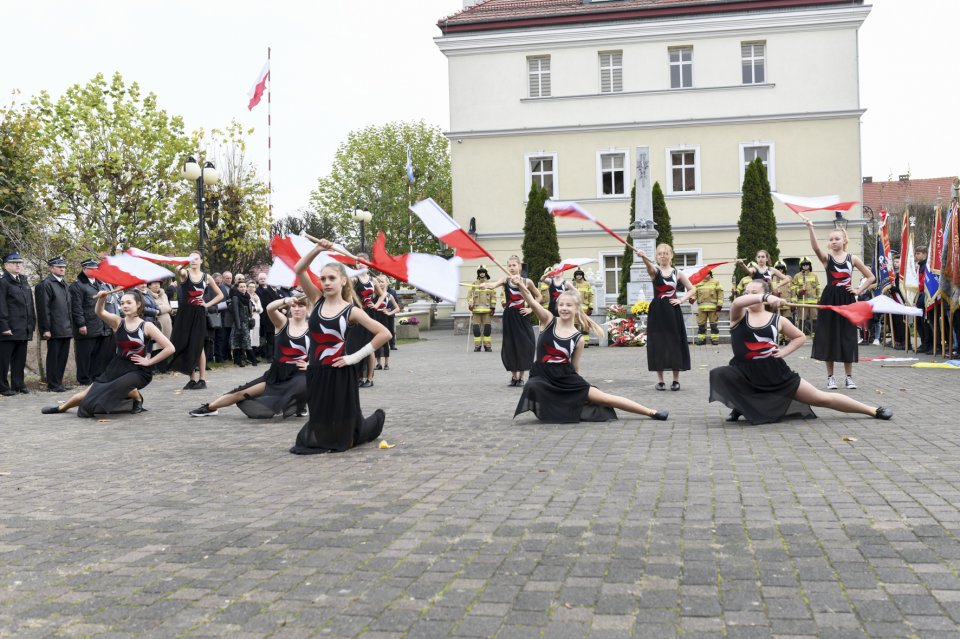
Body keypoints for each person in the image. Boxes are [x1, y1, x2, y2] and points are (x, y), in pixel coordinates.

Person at [710, 279, 892, 424]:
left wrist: (784, 352)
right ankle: (741, 407)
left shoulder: (778, 320)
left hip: (774, 374)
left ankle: (873, 410)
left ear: (767, 293)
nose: (749, 295)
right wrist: (764, 298)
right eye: (747, 292)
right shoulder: (739, 314)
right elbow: (737, 302)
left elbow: (800, 337)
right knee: (721, 374)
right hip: (744, 373)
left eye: (754, 292)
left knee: (821, 398)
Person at [512, 277, 668, 423]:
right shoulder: (548, 320)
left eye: (568, 305)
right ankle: (558, 408)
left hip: (566, 378)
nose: (564, 308)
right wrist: (520, 285)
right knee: (532, 386)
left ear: (577, 308)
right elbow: (532, 301)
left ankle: (650, 411)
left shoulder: (578, 338)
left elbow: (575, 368)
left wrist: (579, 391)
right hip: (542, 376)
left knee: (605, 399)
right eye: (561, 305)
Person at [290, 240, 389, 454]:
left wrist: (353, 358)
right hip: (316, 371)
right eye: (323, 278)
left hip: (341, 372)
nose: (326, 282)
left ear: (343, 281)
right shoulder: (316, 300)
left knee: (344, 437)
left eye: (332, 278)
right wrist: (317, 249)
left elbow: (384, 333)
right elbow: (299, 269)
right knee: (316, 430)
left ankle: (370, 424)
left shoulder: (351, 311)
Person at [40, 289, 175, 417]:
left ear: (138, 304)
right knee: (85, 397)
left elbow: (170, 348)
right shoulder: (117, 322)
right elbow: (100, 312)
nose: (125, 306)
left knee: (115, 387)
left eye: (129, 303)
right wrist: (102, 299)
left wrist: (149, 361)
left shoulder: (147, 326)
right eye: (122, 303)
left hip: (138, 370)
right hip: (116, 368)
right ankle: (62, 408)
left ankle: (136, 397)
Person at [190, 296, 311, 418]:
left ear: (307, 308)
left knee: (301, 384)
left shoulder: (313, 328)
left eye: (301, 306)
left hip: (299, 373)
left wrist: (310, 365)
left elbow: (323, 351)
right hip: (277, 374)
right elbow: (270, 309)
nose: (296, 309)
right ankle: (211, 407)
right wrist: (285, 301)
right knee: (240, 392)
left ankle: (299, 404)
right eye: (294, 306)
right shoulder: (283, 322)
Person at [802, 216, 875, 390]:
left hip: (847, 300)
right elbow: (815, 247)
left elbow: (871, 277)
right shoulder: (827, 259)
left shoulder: (853, 259)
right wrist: (810, 227)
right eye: (831, 239)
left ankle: (849, 377)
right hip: (830, 299)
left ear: (844, 241)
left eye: (837, 239)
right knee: (829, 337)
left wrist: (858, 291)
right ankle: (830, 377)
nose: (834, 242)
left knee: (847, 337)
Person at [636, 244, 693, 390]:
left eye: (666, 253)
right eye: (660, 254)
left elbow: (692, 289)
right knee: (658, 343)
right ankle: (660, 381)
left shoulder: (677, 273)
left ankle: (676, 380)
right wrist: (644, 258)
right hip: (657, 311)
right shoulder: (655, 271)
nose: (663, 256)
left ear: (671, 255)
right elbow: (649, 269)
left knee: (674, 342)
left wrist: (681, 299)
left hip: (673, 311)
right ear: (656, 256)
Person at [478, 255, 542, 386]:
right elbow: (493, 284)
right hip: (509, 316)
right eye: (510, 265)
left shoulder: (526, 281)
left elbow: (539, 296)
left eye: (514, 265)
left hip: (522, 316)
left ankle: (522, 377)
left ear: (519, 266)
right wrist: (485, 285)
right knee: (510, 345)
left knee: (525, 344)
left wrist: (531, 309)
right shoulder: (505, 280)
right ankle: (514, 377)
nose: (512, 268)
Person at [169, 251, 223, 390]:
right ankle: (192, 379)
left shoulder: (207, 277)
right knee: (185, 344)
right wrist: (180, 266)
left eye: (196, 259)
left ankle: (202, 379)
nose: (193, 261)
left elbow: (220, 295)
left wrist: (207, 304)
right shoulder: (186, 273)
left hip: (198, 313)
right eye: (191, 259)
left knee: (198, 345)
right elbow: (180, 272)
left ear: (201, 261)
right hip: (184, 313)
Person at [69, 259, 115, 385]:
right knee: (84, 354)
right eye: (91, 269)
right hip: (87, 325)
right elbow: (76, 307)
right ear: (84, 269)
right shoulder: (77, 285)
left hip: (101, 325)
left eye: (96, 269)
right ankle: (84, 379)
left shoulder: (100, 284)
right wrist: (81, 324)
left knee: (99, 354)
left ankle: (95, 376)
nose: (94, 271)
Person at [35, 256, 74, 392]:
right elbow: (43, 309)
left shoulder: (63, 284)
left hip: (66, 327)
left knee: (62, 357)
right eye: (59, 267)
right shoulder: (46, 284)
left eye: (63, 267)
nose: (62, 269)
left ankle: (59, 382)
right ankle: (52, 384)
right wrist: (46, 329)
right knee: (54, 357)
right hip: (54, 327)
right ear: (51, 268)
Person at [0, 251, 36, 396]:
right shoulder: (3, 282)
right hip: (9, 328)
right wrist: (4, 326)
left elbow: (29, 305)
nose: (18, 265)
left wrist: (31, 324)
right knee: (3, 360)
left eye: (20, 263)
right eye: (15, 263)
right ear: (6, 265)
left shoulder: (23, 281)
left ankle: (18, 384)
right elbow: (1, 305)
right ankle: (2, 387)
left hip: (23, 327)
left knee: (20, 359)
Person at [347, 260, 379, 387]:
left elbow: (382, 294)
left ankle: (369, 378)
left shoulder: (373, 280)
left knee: (369, 346)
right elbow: (348, 290)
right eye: (357, 262)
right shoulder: (354, 279)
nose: (359, 264)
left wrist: (375, 305)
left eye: (362, 262)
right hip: (357, 314)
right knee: (354, 345)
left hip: (370, 314)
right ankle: (359, 376)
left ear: (367, 264)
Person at [469, 265, 497, 352]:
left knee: (487, 330)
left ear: (486, 273)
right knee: (476, 330)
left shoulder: (490, 284)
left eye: (483, 272)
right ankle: (477, 346)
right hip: (476, 311)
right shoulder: (474, 284)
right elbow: (470, 295)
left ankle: (487, 346)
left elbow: (493, 296)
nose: (482, 274)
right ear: (478, 273)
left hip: (487, 311)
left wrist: (493, 307)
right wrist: (470, 304)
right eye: (480, 272)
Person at [790, 257, 820, 336]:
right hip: (801, 301)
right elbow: (793, 288)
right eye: (804, 265)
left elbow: (817, 288)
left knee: (814, 318)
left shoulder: (814, 275)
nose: (805, 266)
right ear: (801, 266)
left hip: (813, 302)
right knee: (801, 318)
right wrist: (799, 291)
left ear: (810, 266)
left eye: (807, 264)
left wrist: (819, 299)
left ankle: (814, 334)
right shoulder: (797, 276)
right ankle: (801, 334)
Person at [692, 270, 723, 346]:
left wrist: (719, 304)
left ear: (710, 274)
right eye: (703, 274)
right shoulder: (698, 282)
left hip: (713, 308)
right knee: (701, 325)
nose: (704, 275)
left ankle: (714, 340)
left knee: (714, 325)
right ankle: (701, 340)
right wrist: (692, 298)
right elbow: (695, 293)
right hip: (701, 309)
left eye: (706, 274)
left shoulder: (716, 282)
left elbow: (720, 293)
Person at [373, 275, 398, 370]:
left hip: (384, 319)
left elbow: (397, 308)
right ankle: (378, 363)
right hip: (375, 319)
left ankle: (386, 363)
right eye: (378, 282)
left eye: (382, 282)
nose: (380, 284)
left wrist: (389, 312)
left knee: (385, 341)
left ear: (387, 283)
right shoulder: (374, 294)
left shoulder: (389, 295)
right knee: (376, 341)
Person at [229, 278, 255, 367]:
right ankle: (240, 360)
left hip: (246, 322)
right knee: (238, 341)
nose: (243, 288)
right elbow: (235, 311)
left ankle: (244, 359)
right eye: (241, 287)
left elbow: (251, 306)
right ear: (238, 288)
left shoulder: (247, 297)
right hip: (238, 322)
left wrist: (253, 308)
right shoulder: (236, 297)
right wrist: (238, 325)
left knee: (244, 341)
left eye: (244, 287)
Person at [255, 272, 280, 361]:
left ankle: (275, 355)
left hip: (278, 318)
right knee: (270, 339)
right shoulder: (266, 291)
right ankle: (269, 356)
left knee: (275, 338)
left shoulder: (278, 292)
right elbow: (268, 305)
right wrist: (280, 309)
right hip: (270, 318)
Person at [572, 269, 595, 347]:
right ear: (574, 276)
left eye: (580, 274)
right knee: (575, 325)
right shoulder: (573, 284)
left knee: (585, 325)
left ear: (583, 276)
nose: (578, 276)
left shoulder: (587, 284)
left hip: (585, 309)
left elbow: (590, 296)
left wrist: (591, 307)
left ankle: (585, 342)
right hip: (574, 308)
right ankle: (576, 341)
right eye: (577, 275)